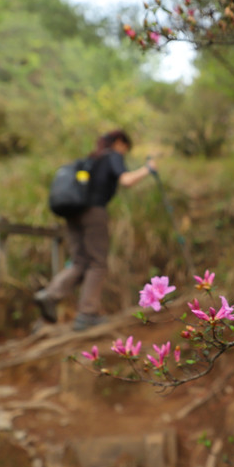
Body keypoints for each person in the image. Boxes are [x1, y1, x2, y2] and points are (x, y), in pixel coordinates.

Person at [34, 129, 158, 331]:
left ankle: (50, 295)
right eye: (125, 147)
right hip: (93, 212)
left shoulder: (92, 159)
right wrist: (148, 169)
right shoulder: (113, 155)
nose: (124, 152)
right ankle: (87, 314)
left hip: (73, 213)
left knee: (80, 261)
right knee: (98, 263)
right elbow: (126, 180)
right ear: (119, 142)